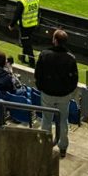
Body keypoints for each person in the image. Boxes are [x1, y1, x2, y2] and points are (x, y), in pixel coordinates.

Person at [34, 29, 79, 158]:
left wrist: (41, 87)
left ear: (55, 40)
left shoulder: (44, 54)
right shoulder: (70, 58)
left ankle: (45, 146)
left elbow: (38, 74)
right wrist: (68, 91)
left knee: (46, 120)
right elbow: (74, 79)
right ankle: (63, 147)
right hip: (63, 95)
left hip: (48, 93)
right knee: (63, 121)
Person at [8, 0, 39, 64]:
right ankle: (23, 56)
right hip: (33, 24)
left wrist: (11, 25)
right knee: (26, 41)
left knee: (27, 43)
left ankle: (32, 62)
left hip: (25, 26)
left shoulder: (22, 1)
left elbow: (17, 15)